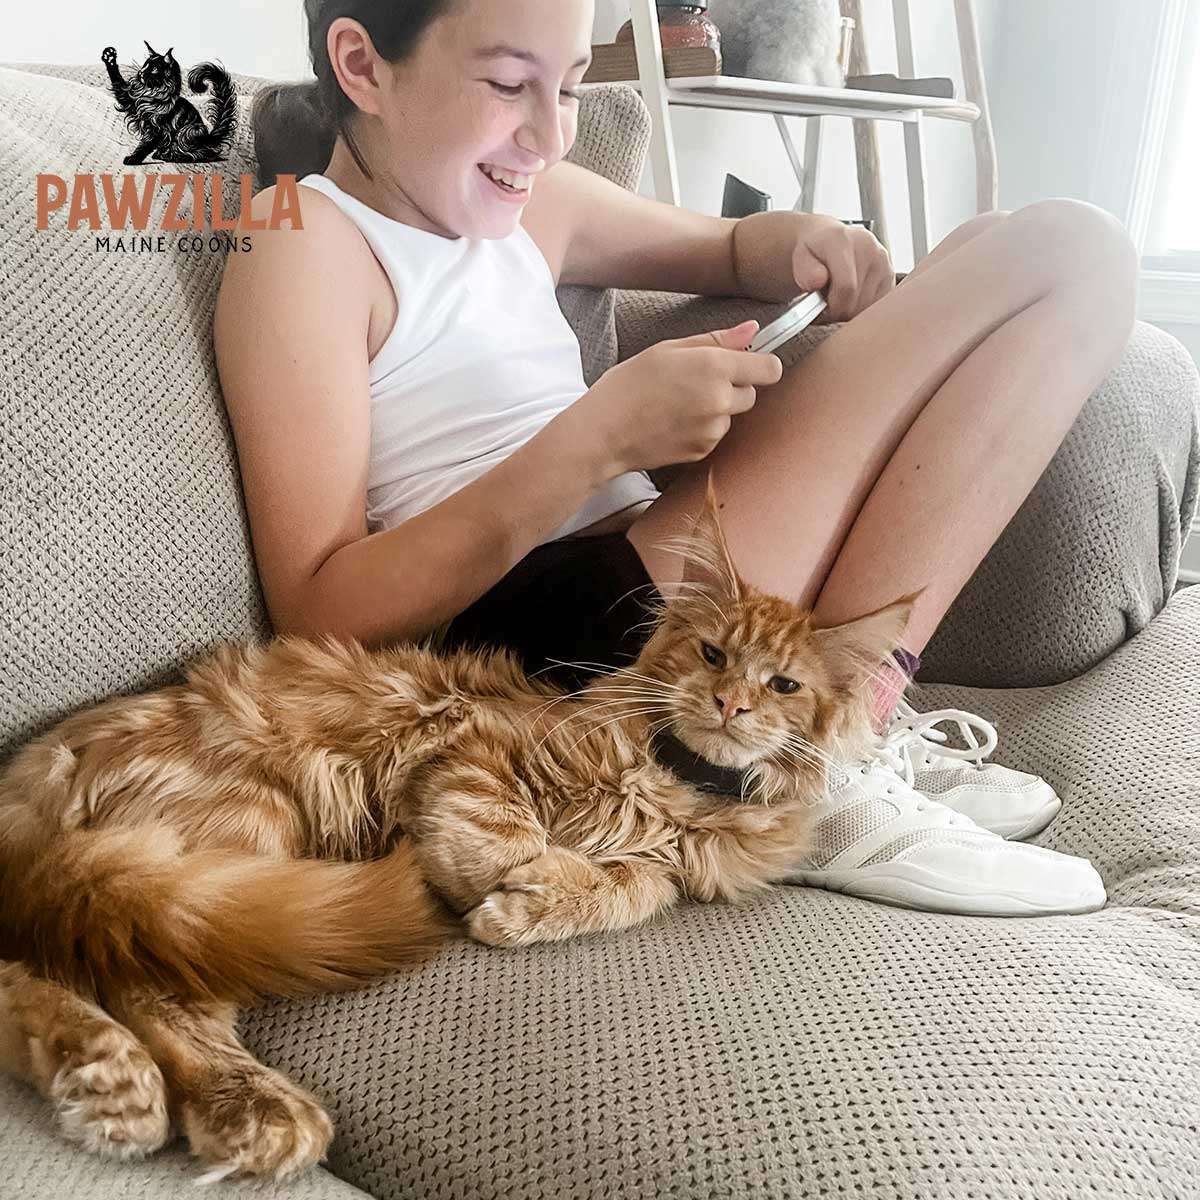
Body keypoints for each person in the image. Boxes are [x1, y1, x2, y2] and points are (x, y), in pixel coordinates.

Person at [213, 0, 1137, 917]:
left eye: (569, 87)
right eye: (507, 85)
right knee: (1069, 249)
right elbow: (315, 613)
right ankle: (832, 761)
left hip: (657, 587)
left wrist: (796, 243)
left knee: (997, 243)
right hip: (543, 644)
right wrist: (593, 445)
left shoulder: (535, 199)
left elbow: (726, 244)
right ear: (362, 65)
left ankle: (839, 735)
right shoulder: (304, 240)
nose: (547, 134)